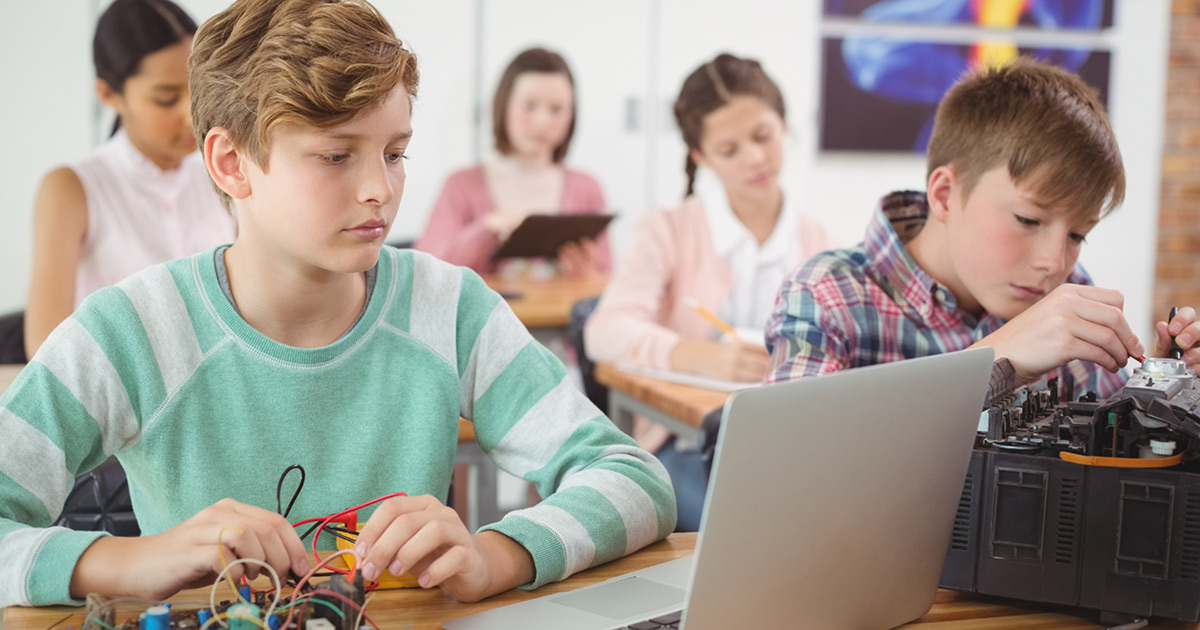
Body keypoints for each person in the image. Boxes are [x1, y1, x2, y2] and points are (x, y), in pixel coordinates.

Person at [0, 0, 674, 608]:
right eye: (334, 156)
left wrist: (498, 554)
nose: (379, 189)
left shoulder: (449, 307)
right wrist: (128, 560)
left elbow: (634, 478)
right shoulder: (132, 330)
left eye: (395, 152)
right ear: (231, 163)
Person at [765, 57, 1200, 396]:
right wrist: (995, 358)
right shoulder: (825, 296)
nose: (1054, 263)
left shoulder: (1064, 292)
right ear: (944, 195)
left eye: (1077, 235)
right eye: (1028, 219)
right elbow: (784, 465)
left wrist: (1161, 387)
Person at [584, 53, 832, 531]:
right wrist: (699, 357)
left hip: (790, 447)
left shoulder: (818, 240)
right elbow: (604, 331)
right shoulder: (669, 229)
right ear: (700, 156)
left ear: (784, 124)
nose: (755, 158)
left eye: (763, 136)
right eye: (729, 149)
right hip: (685, 445)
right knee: (750, 532)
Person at [24, 0, 236, 359]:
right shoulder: (73, 189)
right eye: (166, 99)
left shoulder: (227, 173)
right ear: (109, 94)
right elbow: (45, 352)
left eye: (198, 91)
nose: (191, 115)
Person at [415, 48, 610, 276]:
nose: (542, 121)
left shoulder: (588, 189)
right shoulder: (460, 185)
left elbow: (608, 280)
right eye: (529, 106)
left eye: (557, 109)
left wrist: (588, 275)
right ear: (504, 104)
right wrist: (486, 230)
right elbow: (425, 269)